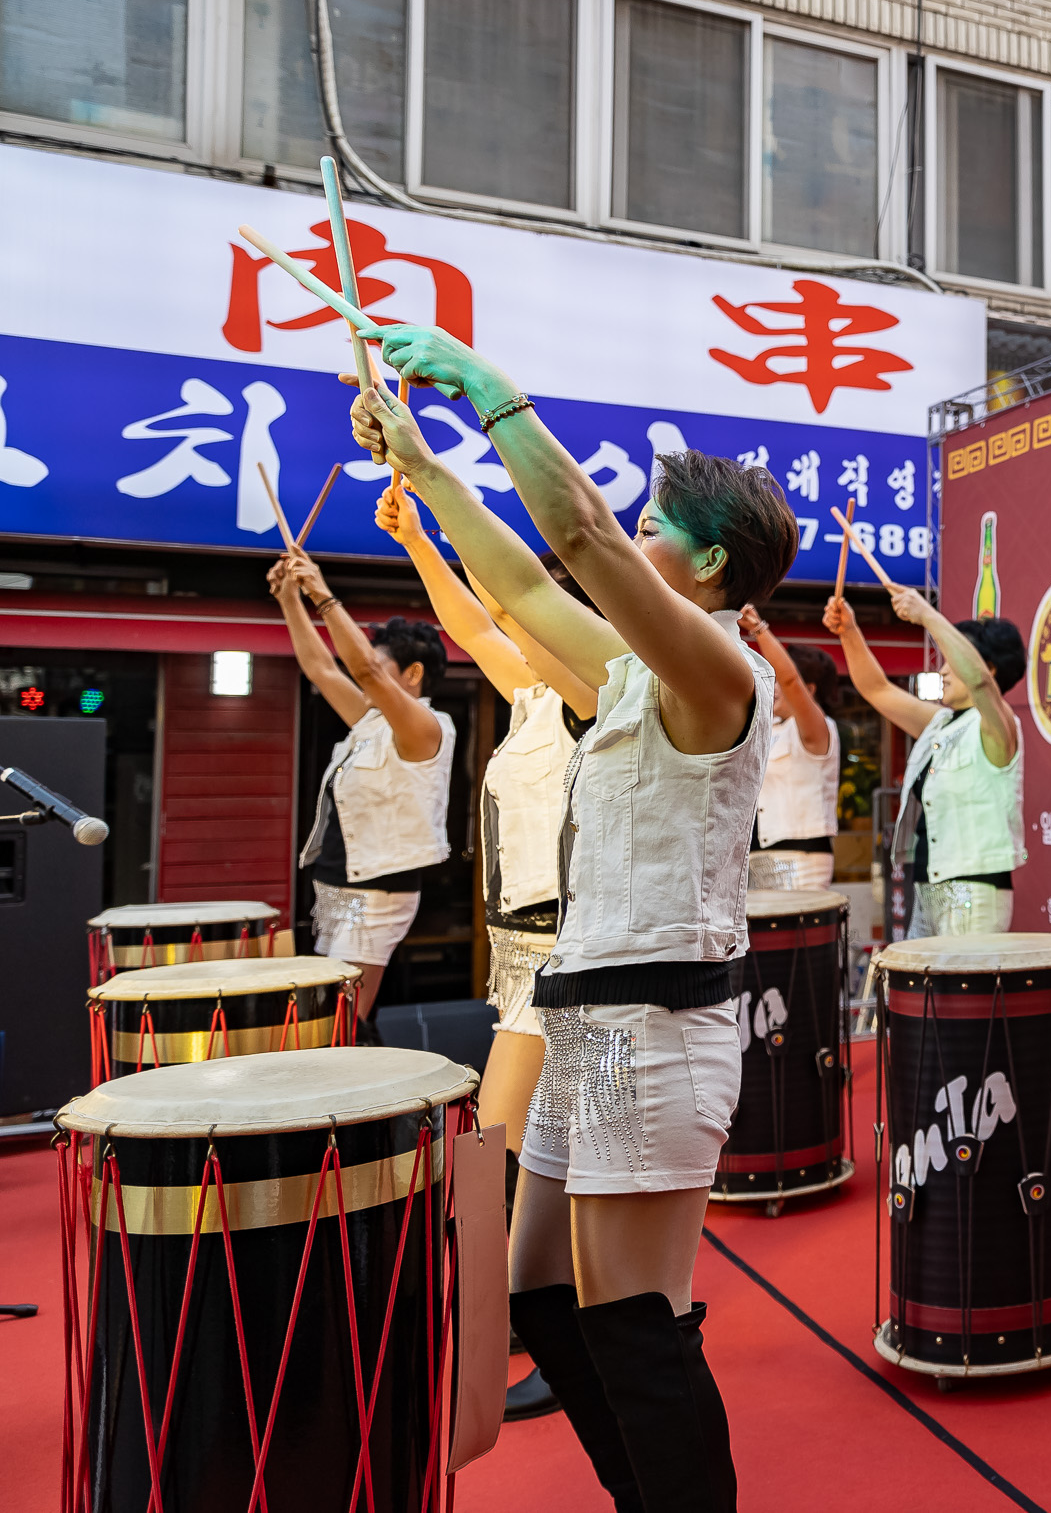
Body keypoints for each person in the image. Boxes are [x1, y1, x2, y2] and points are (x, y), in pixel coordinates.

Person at [352, 327, 796, 1513]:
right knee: (542, 1291)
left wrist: (495, 399)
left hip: (655, 1025)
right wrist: (426, 466)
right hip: (585, 1015)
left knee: (636, 1320)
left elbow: (579, 541)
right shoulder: (634, 676)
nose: (632, 536)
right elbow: (522, 587)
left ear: (705, 567)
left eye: (659, 525)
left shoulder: (721, 676)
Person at [374, 479, 602, 1423]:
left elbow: (502, 604)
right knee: (514, 1153)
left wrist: (444, 517)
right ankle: (520, 1312)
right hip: (516, 954)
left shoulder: (595, 695)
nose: (507, 622)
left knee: (527, 1151)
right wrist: (422, 542)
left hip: (565, 953)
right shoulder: (532, 693)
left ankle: (569, 1329)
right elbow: (473, 619)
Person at [269, 551, 453, 1023]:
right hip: (335, 887)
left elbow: (365, 670)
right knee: (327, 1012)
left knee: (344, 1018)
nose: (364, 671)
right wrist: (290, 598)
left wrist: (322, 595)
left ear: (412, 674)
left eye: (379, 664)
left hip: (377, 893)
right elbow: (322, 670)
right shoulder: (372, 721)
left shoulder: (427, 726)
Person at [822, 586, 1024, 937]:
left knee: (963, 992)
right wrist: (849, 631)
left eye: (952, 660)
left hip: (972, 892)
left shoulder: (998, 725)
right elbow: (877, 689)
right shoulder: (941, 724)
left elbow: (978, 681)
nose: (944, 671)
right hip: (926, 887)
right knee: (922, 992)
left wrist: (928, 616)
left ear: (988, 667)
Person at [740, 607, 840, 892]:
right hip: (758, 857)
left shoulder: (818, 730)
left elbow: (790, 680)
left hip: (801, 857)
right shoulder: (768, 726)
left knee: (799, 936)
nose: (774, 688)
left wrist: (759, 630)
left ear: (809, 689)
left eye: (778, 681)